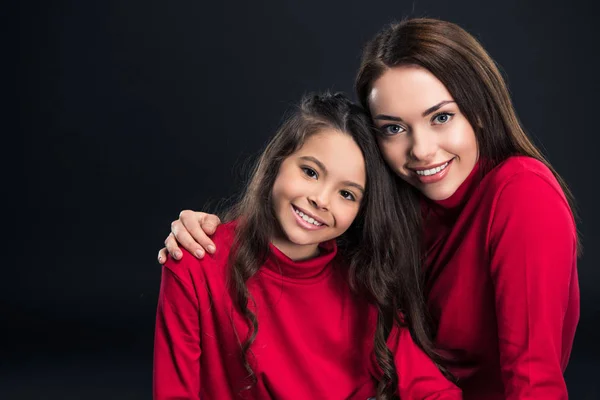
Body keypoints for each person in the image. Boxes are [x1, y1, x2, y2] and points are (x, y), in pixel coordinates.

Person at [158, 19, 580, 399]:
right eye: (394, 128)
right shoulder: (393, 202)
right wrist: (207, 232)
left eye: (441, 118)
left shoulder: (523, 193)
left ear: (480, 111)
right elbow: (296, 244)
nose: (420, 150)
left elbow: (534, 379)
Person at [154, 92, 461, 399]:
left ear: (360, 213)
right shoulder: (195, 260)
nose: (321, 199)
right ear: (278, 160)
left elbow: (433, 390)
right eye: (310, 172)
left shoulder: (363, 286)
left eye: (347, 194)